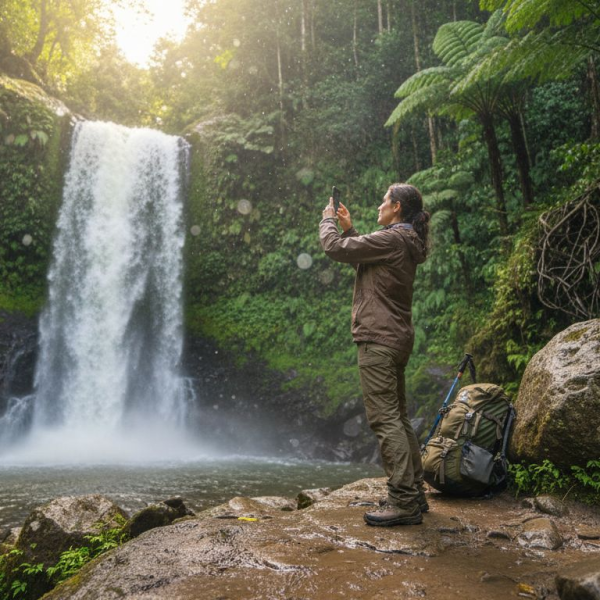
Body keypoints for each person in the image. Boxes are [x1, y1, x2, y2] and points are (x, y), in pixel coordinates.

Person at [319, 183, 430, 527]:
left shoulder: (393, 238)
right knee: (398, 416)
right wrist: (351, 229)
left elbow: (334, 248)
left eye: (384, 201)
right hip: (396, 338)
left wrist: (328, 220)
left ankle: (403, 501)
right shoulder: (405, 241)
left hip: (378, 339)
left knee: (385, 419)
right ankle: (415, 495)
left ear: (397, 207)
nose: (379, 206)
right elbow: (366, 267)